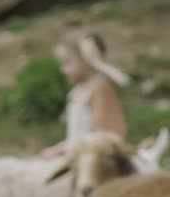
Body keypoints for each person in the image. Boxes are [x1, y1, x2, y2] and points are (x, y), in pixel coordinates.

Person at [41, 28, 129, 158]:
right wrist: (59, 148)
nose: (63, 70)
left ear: (87, 60)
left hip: (95, 159)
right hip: (79, 155)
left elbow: (103, 135)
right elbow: (78, 136)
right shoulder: (77, 92)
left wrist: (65, 148)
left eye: (67, 63)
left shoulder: (99, 88)